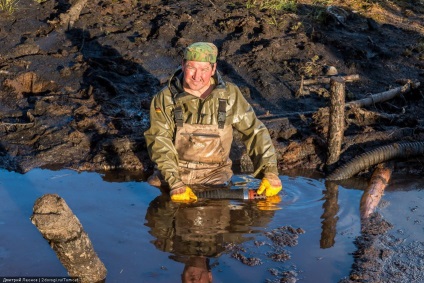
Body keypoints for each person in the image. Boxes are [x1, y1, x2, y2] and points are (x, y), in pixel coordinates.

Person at [144, 42, 282, 202]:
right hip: (172, 175)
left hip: (215, 177)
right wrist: (175, 182)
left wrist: (270, 172)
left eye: (204, 69)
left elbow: (254, 132)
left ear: (213, 68)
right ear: (182, 65)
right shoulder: (165, 98)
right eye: (192, 68)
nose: (197, 76)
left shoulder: (229, 94)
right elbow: (159, 141)